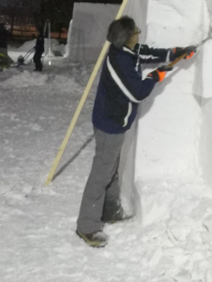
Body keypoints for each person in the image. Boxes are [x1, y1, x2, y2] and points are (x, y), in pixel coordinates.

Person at [76, 16, 197, 248]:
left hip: (115, 122)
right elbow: (138, 92)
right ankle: (87, 226)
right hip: (109, 124)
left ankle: (109, 211)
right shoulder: (118, 61)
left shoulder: (128, 51)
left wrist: (177, 52)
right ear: (127, 38)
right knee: (101, 173)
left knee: (110, 168)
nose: (139, 34)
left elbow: (150, 53)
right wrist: (157, 74)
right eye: (136, 32)